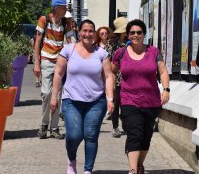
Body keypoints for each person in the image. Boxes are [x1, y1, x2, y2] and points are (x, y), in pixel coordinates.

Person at [50, 19, 114, 174]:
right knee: (74, 135)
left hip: (96, 102)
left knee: (91, 136)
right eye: (84, 30)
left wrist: (110, 98)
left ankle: (87, 170)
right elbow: (58, 74)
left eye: (91, 31)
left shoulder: (101, 53)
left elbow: (109, 76)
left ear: (95, 33)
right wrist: (54, 97)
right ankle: (72, 161)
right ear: (79, 32)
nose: (87, 33)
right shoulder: (68, 50)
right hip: (71, 100)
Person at [112, 19, 170, 174]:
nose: (135, 35)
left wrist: (166, 89)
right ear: (128, 35)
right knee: (134, 133)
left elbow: (163, 71)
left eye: (139, 32)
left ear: (144, 34)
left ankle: (139, 165)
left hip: (151, 101)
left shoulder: (153, 52)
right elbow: (111, 72)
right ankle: (133, 170)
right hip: (129, 100)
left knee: (146, 137)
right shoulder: (121, 53)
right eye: (132, 32)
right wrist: (110, 93)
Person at [34, 0, 74, 139]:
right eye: (64, 8)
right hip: (46, 59)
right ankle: (44, 124)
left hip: (59, 61)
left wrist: (72, 59)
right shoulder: (44, 20)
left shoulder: (66, 22)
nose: (66, 10)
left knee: (57, 95)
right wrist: (36, 64)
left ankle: (54, 127)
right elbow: (37, 43)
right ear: (56, 8)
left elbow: (70, 42)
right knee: (46, 93)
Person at [105, 17, 128, 138]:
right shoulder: (111, 43)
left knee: (126, 104)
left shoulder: (129, 42)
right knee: (116, 102)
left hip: (128, 77)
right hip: (115, 76)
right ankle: (115, 127)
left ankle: (125, 123)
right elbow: (106, 60)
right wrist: (109, 78)